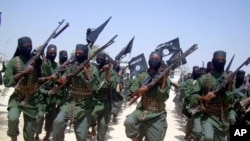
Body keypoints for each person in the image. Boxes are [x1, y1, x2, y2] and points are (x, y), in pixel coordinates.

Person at [52, 44, 99, 141]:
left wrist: (87, 74)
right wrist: (62, 79)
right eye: (76, 53)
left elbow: (93, 88)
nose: (77, 55)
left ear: (85, 54)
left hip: (85, 105)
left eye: (80, 53)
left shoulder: (93, 69)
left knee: (81, 136)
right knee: (58, 123)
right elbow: (64, 79)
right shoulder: (72, 67)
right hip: (70, 102)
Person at [124, 51, 171, 141]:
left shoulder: (164, 77)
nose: (154, 60)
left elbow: (162, 98)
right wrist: (139, 90)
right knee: (129, 121)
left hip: (157, 115)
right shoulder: (143, 76)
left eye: (156, 59)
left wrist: (163, 80)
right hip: (142, 111)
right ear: (148, 60)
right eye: (152, 58)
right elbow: (130, 95)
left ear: (161, 61)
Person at [3, 36, 42, 141]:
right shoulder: (14, 61)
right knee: (13, 119)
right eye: (26, 46)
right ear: (20, 47)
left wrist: (43, 58)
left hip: (32, 99)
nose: (29, 48)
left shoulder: (37, 61)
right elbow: (6, 81)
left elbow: (45, 75)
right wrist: (23, 72)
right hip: (17, 96)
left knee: (30, 129)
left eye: (30, 46)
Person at [190, 50, 235, 141]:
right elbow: (192, 97)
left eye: (222, 59)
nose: (220, 61)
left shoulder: (229, 79)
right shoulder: (204, 78)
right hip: (208, 115)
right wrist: (204, 97)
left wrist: (229, 84)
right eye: (217, 59)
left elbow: (229, 101)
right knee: (208, 137)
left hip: (223, 117)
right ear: (213, 60)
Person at [91, 53, 118, 141]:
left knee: (102, 124)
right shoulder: (93, 69)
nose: (99, 60)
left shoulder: (112, 73)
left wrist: (106, 72)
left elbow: (113, 86)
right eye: (97, 58)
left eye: (101, 59)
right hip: (91, 99)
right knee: (89, 118)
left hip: (104, 101)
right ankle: (92, 128)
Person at [35, 44, 58, 141]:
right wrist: (42, 55)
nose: (52, 54)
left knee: (51, 117)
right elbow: (37, 79)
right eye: (50, 53)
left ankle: (47, 136)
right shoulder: (40, 63)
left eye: (54, 53)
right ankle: (36, 135)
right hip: (41, 93)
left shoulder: (56, 65)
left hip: (52, 94)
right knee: (40, 116)